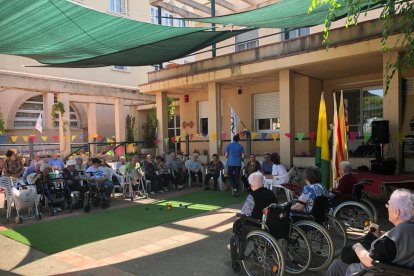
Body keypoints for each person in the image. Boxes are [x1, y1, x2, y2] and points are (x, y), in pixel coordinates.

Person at [326, 189, 414, 276]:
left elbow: (370, 261)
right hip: (397, 270)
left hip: (374, 272)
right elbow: (396, 247)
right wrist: (380, 235)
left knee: (336, 265)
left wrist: (357, 246)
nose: (387, 207)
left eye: (388, 204)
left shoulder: (400, 232)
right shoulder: (407, 229)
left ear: (397, 212)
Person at [232, 172, 278, 238]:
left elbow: (245, 213)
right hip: (272, 222)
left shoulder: (252, 196)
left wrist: (237, 216)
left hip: (259, 224)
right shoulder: (270, 192)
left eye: (250, 183)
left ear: (252, 184)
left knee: (238, 221)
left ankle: (239, 243)